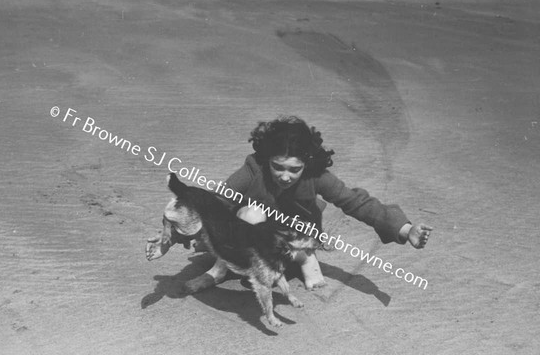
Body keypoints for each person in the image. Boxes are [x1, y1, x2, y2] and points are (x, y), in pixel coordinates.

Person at [146, 115, 432, 291]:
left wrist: (405, 230)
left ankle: (304, 261)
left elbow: (356, 202)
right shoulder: (252, 170)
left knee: (275, 233)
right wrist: (170, 235)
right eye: (277, 166)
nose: (285, 176)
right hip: (254, 232)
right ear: (267, 158)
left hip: (297, 235)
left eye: (294, 169)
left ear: (305, 164)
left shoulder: (317, 175)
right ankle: (225, 267)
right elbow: (214, 201)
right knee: (248, 213)